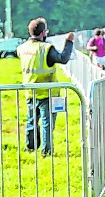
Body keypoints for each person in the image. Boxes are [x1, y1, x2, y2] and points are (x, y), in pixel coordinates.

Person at [19, 18, 74, 156]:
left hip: (30, 92)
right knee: (47, 124)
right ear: (43, 33)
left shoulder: (22, 48)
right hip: (47, 93)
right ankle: (46, 151)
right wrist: (69, 42)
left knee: (31, 122)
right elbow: (63, 58)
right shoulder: (46, 49)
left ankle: (30, 147)